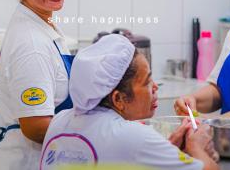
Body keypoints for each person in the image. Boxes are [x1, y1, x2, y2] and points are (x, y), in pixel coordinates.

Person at [40, 34, 219, 170]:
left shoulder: (60, 120)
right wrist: (197, 146)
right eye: (147, 81)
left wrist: (167, 151)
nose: (155, 87)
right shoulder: (134, 135)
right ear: (119, 99)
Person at [0, 0, 74, 170]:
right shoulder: (31, 43)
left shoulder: (41, 25)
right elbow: (36, 126)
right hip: (27, 162)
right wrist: (97, 131)